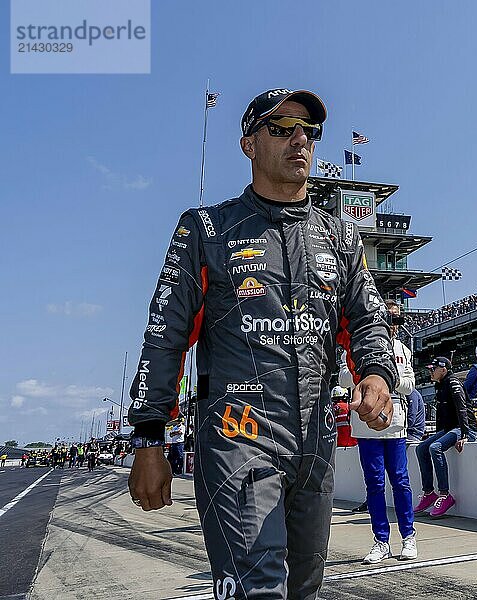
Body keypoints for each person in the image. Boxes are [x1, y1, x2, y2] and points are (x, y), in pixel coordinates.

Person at [127, 87, 398, 600]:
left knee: (304, 592)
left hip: (315, 446)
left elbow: (367, 323)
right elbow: (165, 337)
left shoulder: (341, 236)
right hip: (237, 441)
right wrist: (148, 439)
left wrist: (377, 375)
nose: (300, 139)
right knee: (258, 591)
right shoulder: (205, 228)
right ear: (249, 144)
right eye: (281, 128)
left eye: (309, 131)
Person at [351, 300, 417, 563]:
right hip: (366, 426)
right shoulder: (357, 348)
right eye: (389, 320)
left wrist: (388, 379)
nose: (393, 326)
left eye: (397, 321)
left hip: (395, 424)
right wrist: (367, 377)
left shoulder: (403, 350)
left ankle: (409, 536)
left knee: (400, 481)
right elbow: (344, 378)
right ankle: (381, 541)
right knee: (375, 484)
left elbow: (410, 385)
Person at [414, 357, 477, 518]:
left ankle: (445, 494)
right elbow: (442, 415)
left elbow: (462, 409)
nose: (430, 371)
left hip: (465, 428)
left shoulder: (453, 382)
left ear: (443, 369)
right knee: (421, 448)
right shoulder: (440, 385)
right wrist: (438, 433)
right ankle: (429, 493)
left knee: (434, 448)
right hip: (450, 428)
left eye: (433, 369)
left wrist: (464, 434)